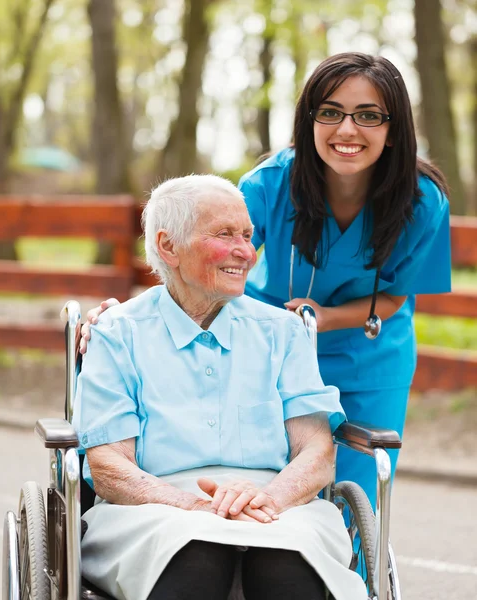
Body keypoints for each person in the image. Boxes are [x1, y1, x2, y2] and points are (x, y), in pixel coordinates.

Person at [80, 52, 451, 510]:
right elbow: (202, 264)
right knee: (266, 479)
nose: (347, 130)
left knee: (356, 494)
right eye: (330, 112)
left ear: (394, 129)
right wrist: (125, 318)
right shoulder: (271, 184)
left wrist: (325, 317)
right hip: (267, 349)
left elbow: (395, 294)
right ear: (308, 120)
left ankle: (345, 579)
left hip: (368, 351)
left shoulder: (423, 201)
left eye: (369, 116)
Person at [73, 174, 367, 600]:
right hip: (153, 510)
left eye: (248, 235)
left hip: (276, 504)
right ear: (168, 246)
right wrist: (196, 506)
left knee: (286, 564)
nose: (245, 251)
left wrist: (267, 499)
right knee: (197, 556)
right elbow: (108, 467)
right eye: (224, 234)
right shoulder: (117, 333)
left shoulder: (282, 332)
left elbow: (318, 453)